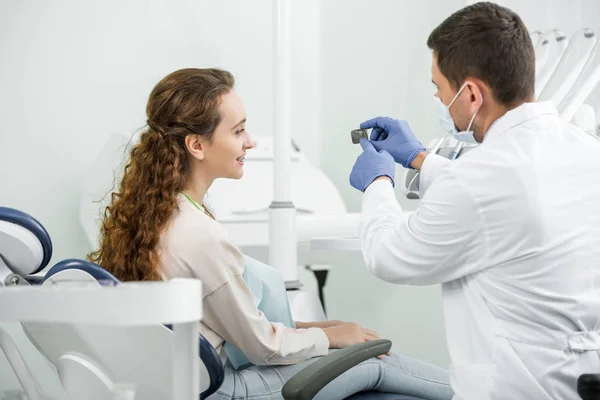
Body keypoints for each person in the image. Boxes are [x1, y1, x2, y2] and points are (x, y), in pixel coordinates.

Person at [88, 68, 453, 400]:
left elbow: (233, 324)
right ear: (196, 145)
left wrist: (326, 329)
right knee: (376, 363)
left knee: (361, 353)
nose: (251, 142)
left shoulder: (160, 214)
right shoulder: (198, 235)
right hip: (226, 388)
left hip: (195, 381)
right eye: (238, 131)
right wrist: (331, 338)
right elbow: (261, 346)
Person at [349, 2, 600, 400]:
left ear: (470, 93)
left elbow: (389, 255)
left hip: (516, 388)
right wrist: (420, 159)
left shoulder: (478, 179)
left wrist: (378, 182)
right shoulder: (586, 152)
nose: (436, 96)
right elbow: (507, 199)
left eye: (438, 87)